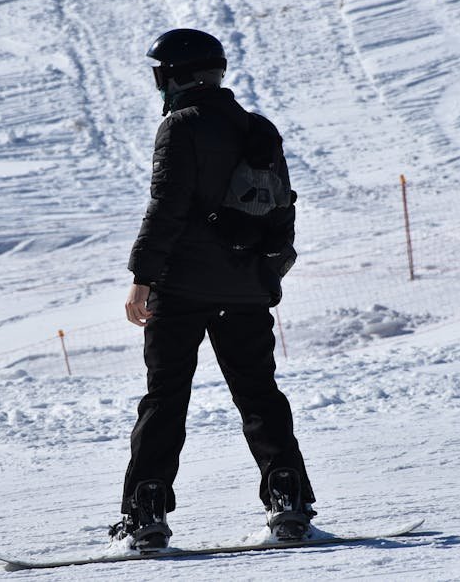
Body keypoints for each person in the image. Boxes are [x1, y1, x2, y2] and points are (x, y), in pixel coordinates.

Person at [109, 28, 316, 552]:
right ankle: (289, 506)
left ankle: (145, 517)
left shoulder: (180, 127)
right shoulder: (258, 127)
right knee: (259, 395)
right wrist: (266, 276)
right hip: (245, 291)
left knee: (165, 398)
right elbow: (282, 209)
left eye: (160, 74)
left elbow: (167, 206)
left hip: (180, 289)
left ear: (176, 76)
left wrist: (142, 278)